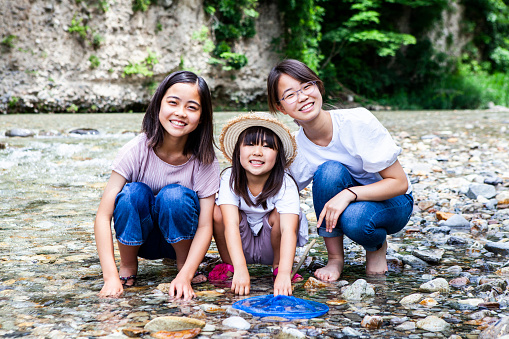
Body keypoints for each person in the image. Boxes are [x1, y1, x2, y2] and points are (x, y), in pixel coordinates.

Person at [267, 59, 413, 281]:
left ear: (318, 86)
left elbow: (399, 183)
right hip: (352, 201)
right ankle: (335, 258)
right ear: (281, 107)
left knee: (356, 219)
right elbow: (279, 193)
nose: (303, 97)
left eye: (307, 86)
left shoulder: (357, 122)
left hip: (394, 200)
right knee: (328, 172)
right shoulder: (296, 148)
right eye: (290, 94)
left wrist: (348, 194)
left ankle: (376, 246)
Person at [94, 71, 219, 300]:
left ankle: (182, 267)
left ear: (202, 117)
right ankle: (128, 266)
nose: (180, 113)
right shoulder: (135, 150)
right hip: (142, 240)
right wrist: (109, 276)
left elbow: (204, 226)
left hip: (184, 241)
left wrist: (186, 274)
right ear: (158, 105)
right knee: (133, 193)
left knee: (174, 196)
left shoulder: (205, 160)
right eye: (173, 103)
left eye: (192, 107)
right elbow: (103, 216)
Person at [209, 112, 308, 296]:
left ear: (278, 155)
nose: (257, 152)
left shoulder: (286, 183)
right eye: (250, 144)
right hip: (240, 244)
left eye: (267, 147)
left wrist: (286, 273)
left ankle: (278, 267)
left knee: (286, 214)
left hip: (271, 245)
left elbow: (288, 230)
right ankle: (230, 265)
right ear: (238, 150)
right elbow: (230, 224)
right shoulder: (229, 178)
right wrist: (240, 268)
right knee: (217, 212)